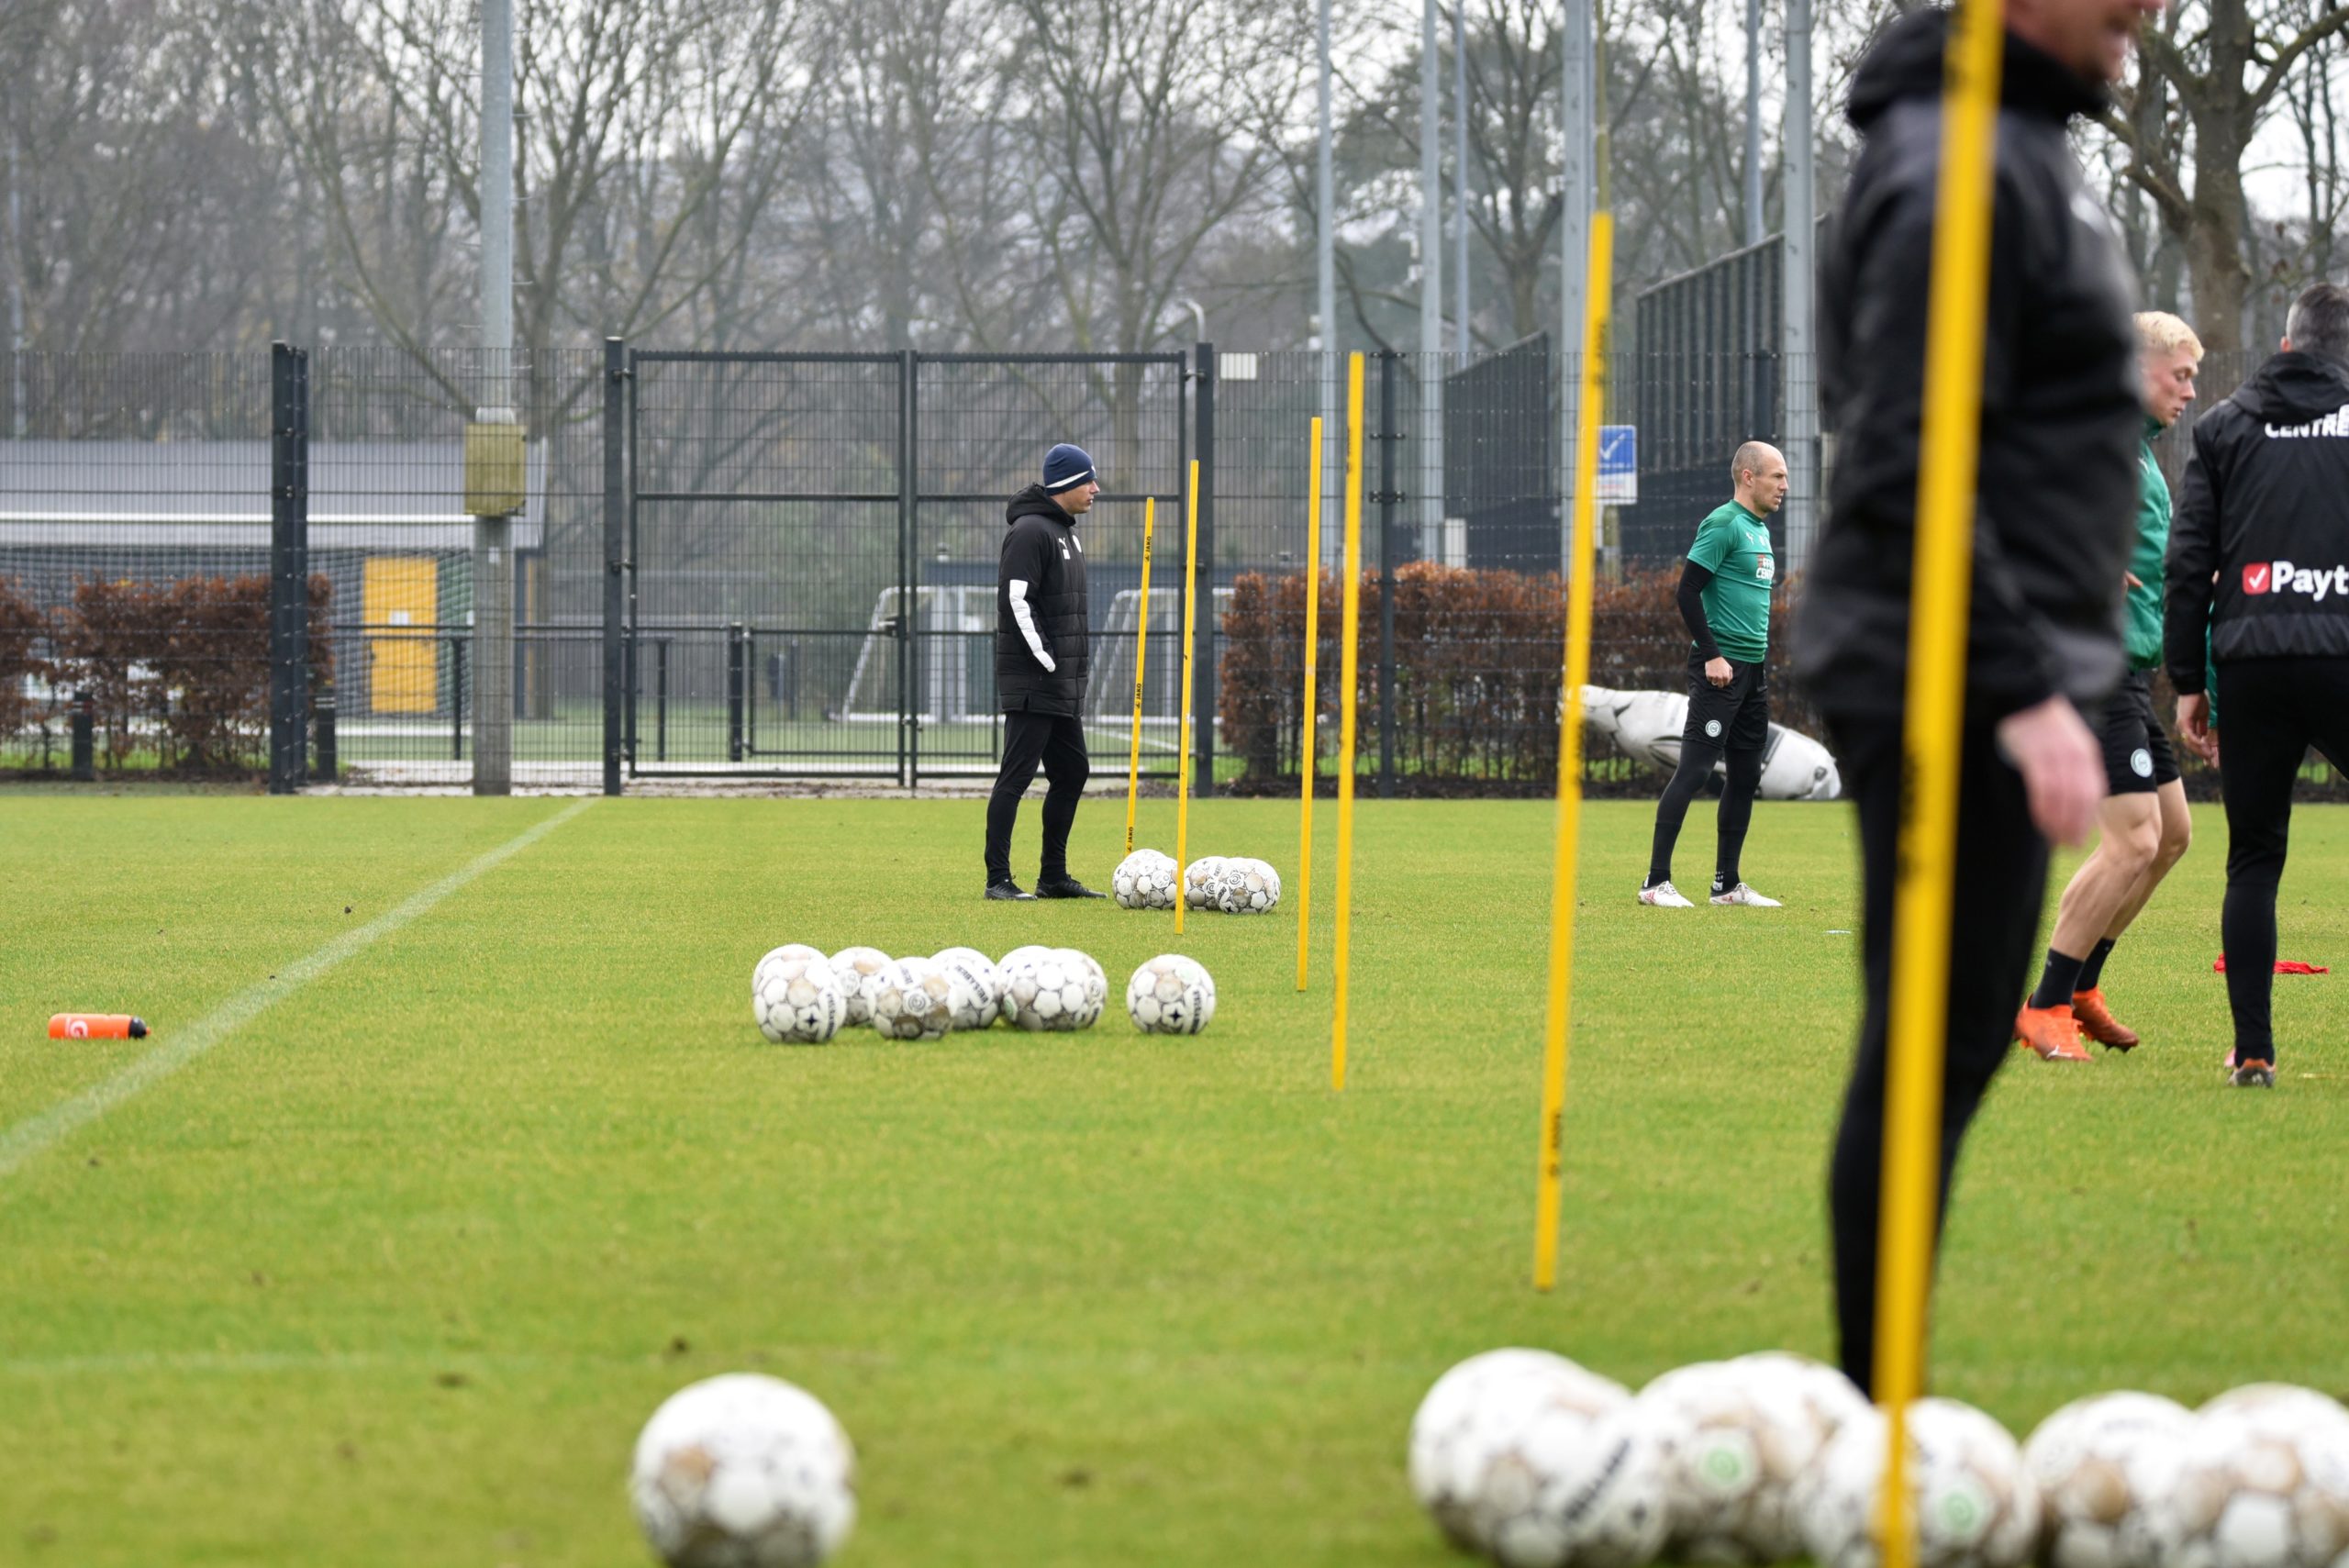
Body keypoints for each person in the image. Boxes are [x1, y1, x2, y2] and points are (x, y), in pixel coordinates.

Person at [1790, 0, 2152, 1392]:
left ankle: (1876, 1404)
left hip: (1990, 660)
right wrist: (2016, 688)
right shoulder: (1956, 162)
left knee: (1952, 1042)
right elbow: (1902, 454)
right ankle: (1872, 1424)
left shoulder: (2009, 149)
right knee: (1932, 1039)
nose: (2148, 11)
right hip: (1944, 670)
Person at [2164, 281, 2349, 1089]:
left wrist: (2186, 678)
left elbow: (2187, 563)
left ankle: (2254, 1052)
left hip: (2253, 660)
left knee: (2254, 861)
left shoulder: (2222, 426)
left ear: (2284, 345)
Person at [2015, 312, 2203, 1062]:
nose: (2190, 390)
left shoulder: (2135, 449)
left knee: (2172, 836)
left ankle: (2083, 985)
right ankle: (2045, 1004)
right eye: (2180, 374)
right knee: (2134, 840)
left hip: (2129, 668)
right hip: (2089, 670)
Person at [1638, 441, 1790, 909]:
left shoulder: (1759, 530)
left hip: (1752, 670)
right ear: (1748, 477)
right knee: (1696, 770)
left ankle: (1726, 885)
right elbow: (1687, 592)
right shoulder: (1724, 523)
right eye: (1776, 476)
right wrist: (1713, 655)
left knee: (1745, 776)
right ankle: (1655, 882)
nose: (1784, 486)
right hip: (1718, 669)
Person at [984, 443, 1108, 901]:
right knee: (1015, 778)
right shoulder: (1030, 531)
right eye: (1088, 480)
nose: (1095, 488)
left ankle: (1053, 877)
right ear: (1065, 484)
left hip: (1059, 684)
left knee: (1073, 771)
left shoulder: (1066, 533)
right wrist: (1048, 659)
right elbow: (1016, 600)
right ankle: (998, 880)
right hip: (1036, 680)